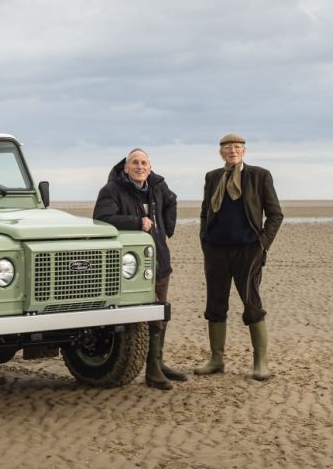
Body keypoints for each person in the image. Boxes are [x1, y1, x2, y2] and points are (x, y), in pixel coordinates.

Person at [195, 133, 283, 381]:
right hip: (216, 250)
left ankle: (260, 361)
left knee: (252, 303)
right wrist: (205, 239)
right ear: (221, 152)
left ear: (244, 151)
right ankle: (216, 359)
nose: (232, 151)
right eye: (227, 148)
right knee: (215, 304)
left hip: (248, 250)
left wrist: (262, 244)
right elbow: (205, 212)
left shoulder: (259, 175)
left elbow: (276, 214)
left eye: (236, 147)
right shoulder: (213, 177)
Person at [93, 148, 183, 390]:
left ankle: (158, 364)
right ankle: (151, 372)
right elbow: (102, 219)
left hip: (159, 260)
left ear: (150, 167)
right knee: (146, 315)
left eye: (144, 163)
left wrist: (166, 230)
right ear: (126, 167)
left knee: (161, 312)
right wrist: (136, 223)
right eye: (135, 163)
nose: (140, 167)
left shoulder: (158, 186)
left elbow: (172, 202)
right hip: (129, 266)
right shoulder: (112, 190)